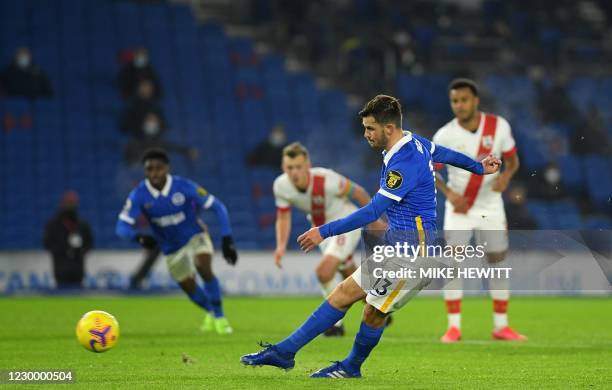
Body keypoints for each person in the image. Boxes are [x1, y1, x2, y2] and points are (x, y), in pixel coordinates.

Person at [241, 95, 501, 377]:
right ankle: (284, 353)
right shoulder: (415, 142)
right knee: (343, 294)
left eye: (370, 128)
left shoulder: (404, 163)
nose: (366, 134)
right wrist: (478, 167)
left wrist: (323, 231)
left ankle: (350, 367)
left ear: (388, 129)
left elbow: (371, 211)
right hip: (395, 249)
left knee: (373, 312)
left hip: (414, 256)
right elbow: (445, 153)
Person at [432, 78, 525, 343]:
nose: (459, 105)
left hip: (491, 205)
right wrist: (450, 193)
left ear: (476, 101)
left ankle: (501, 326)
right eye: (454, 101)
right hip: (458, 208)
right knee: (453, 265)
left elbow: (514, 161)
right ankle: (453, 327)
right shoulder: (444, 136)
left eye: (463, 100)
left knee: (497, 263)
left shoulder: (499, 127)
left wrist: (507, 177)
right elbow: (431, 172)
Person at [116, 148, 238, 334]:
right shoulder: (139, 195)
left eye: (158, 168)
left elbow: (218, 207)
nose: (154, 173)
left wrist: (227, 238)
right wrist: (138, 237)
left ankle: (221, 318)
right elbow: (121, 226)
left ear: (167, 168)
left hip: (195, 236)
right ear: (145, 171)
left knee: (203, 266)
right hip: (171, 248)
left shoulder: (184, 186)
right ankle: (212, 312)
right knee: (189, 287)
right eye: (150, 169)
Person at [273, 142, 386, 336]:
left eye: (298, 167)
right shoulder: (281, 186)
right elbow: (283, 216)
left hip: (343, 224)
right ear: (284, 168)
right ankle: (379, 308)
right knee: (347, 272)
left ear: (307, 165)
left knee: (324, 272)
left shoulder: (327, 179)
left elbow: (358, 192)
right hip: (320, 231)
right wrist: (281, 246)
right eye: (290, 168)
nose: (294, 172)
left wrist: (375, 220)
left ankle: (335, 324)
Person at [43, 191, 93, 289]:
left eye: (72, 202)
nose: (70, 205)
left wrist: (80, 251)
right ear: (62, 203)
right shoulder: (53, 225)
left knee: (78, 295)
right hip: (60, 267)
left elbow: (90, 243)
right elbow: (47, 243)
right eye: (68, 202)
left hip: (78, 267)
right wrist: (63, 247)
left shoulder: (82, 225)